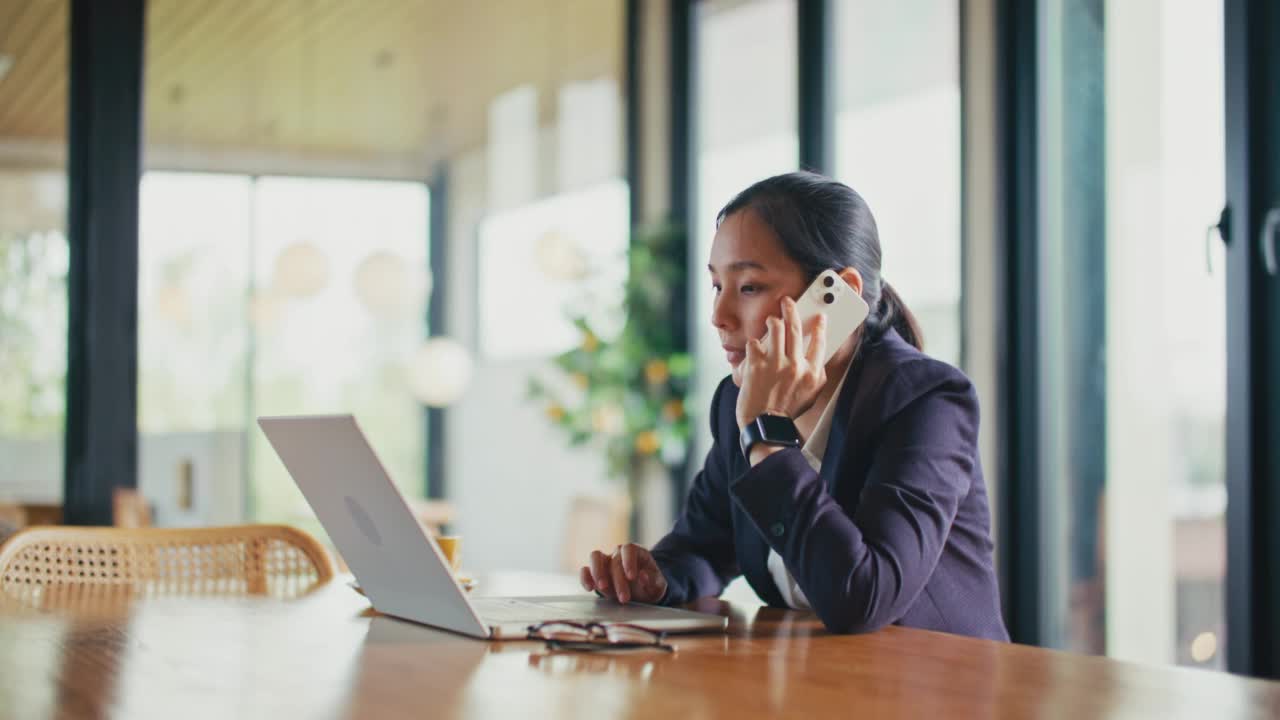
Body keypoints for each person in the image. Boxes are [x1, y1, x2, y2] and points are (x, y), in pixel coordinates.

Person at [579, 171, 1007, 640]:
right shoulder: (735, 402)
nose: (718, 318)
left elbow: (862, 596)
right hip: (823, 685)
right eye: (717, 286)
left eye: (748, 288)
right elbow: (705, 545)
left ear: (836, 294)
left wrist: (767, 438)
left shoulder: (925, 401)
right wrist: (658, 578)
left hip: (940, 690)